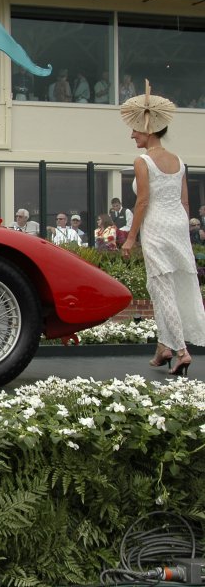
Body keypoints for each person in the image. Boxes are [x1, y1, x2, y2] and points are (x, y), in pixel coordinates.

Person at [120, 92, 205, 375]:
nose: (132, 135)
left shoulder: (142, 161)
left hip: (156, 226)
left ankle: (180, 351)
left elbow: (142, 201)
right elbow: (185, 202)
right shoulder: (179, 161)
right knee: (175, 285)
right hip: (178, 225)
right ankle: (163, 347)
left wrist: (131, 238)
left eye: (135, 129)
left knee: (162, 287)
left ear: (148, 128)